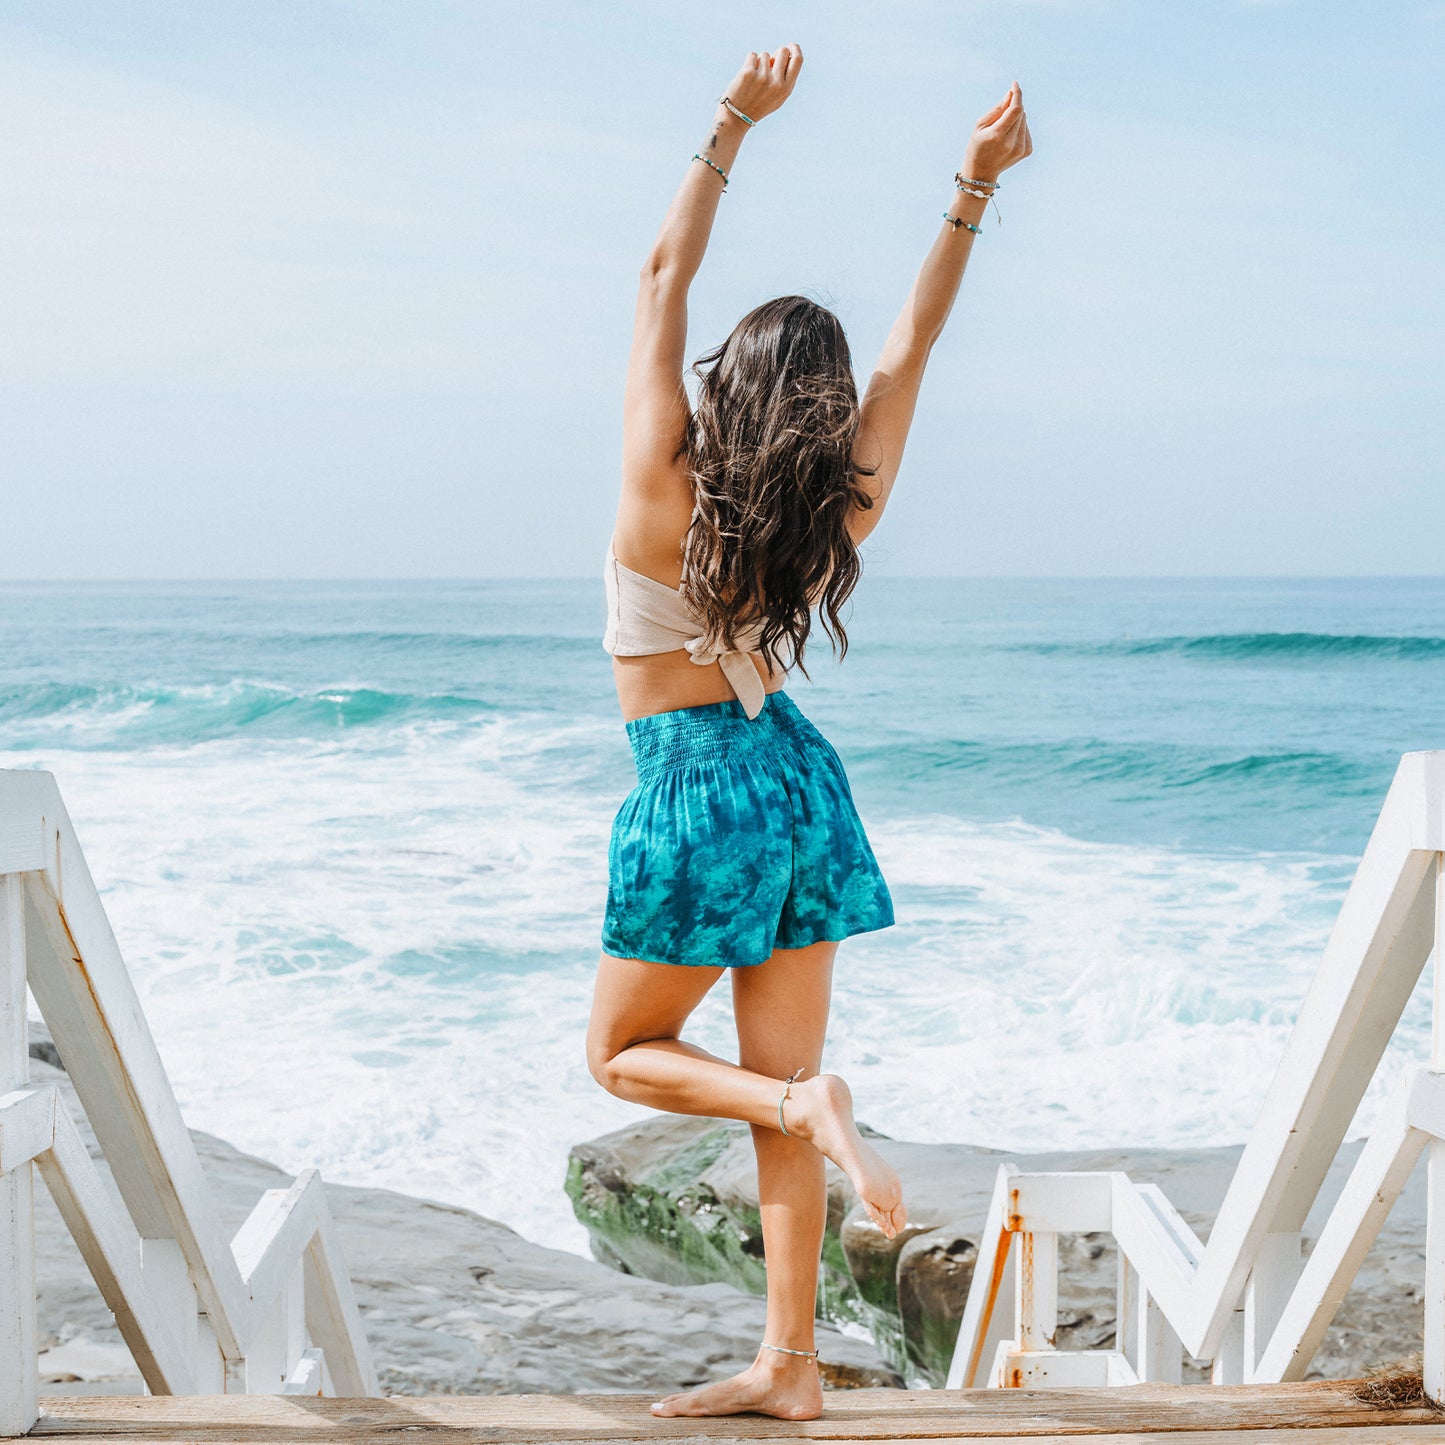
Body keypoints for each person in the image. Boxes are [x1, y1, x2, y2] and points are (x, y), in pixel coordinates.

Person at [585, 43, 1032, 1421]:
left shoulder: (666, 484)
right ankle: (788, 1364)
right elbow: (915, 343)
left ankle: (798, 1124)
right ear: (821, 412)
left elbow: (661, 280)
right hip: (799, 781)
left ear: (731, 386)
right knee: (786, 1072)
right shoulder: (839, 504)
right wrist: (970, 185)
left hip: (692, 782)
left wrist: (730, 118)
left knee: (627, 1057)